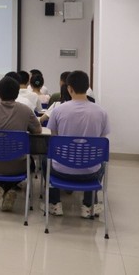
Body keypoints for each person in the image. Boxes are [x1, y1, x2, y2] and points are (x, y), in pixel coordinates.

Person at [45, 70, 110, 218]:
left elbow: (54, 139)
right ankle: (88, 206)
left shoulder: (58, 110)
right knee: (100, 162)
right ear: (87, 87)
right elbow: (101, 141)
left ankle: (55, 204)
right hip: (90, 172)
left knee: (45, 160)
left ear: (69, 88)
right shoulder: (102, 112)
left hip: (61, 170)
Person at [0, 76, 41, 211]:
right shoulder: (25, 110)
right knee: (30, 163)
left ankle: (2, 187)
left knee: (1, 160)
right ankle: (9, 188)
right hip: (18, 165)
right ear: (17, 93)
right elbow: (38, 130)